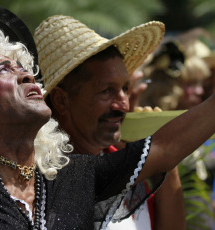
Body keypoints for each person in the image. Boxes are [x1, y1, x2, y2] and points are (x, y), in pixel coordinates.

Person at [0, 5, 215, 230]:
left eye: (26, 68)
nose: (26, 75)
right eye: (5, 69)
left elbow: (166, 148)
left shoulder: (71, 178)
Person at [34, 16, 185, 229]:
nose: (122, 104)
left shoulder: (130, 165)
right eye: (106, 91)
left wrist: (165, 161)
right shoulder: (36, 182)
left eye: (125, 88)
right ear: (61, 100)